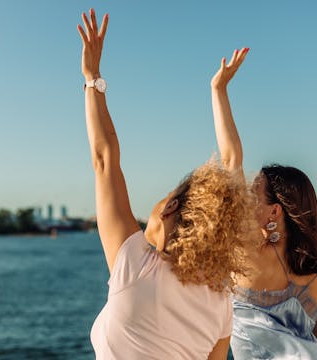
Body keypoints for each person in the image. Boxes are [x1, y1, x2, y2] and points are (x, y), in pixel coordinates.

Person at [77, 9, 258, 360]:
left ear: (172, 207)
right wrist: (217, 89)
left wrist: (92, 78)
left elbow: (104, 160)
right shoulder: (220, 303)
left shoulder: (135, 264)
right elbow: (232, 168)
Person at [211, 48, 317, 359]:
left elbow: (231, 161)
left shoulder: (245, 256)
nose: (244, 196)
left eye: (252, 193)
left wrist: (217, 89)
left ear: (274, 211)